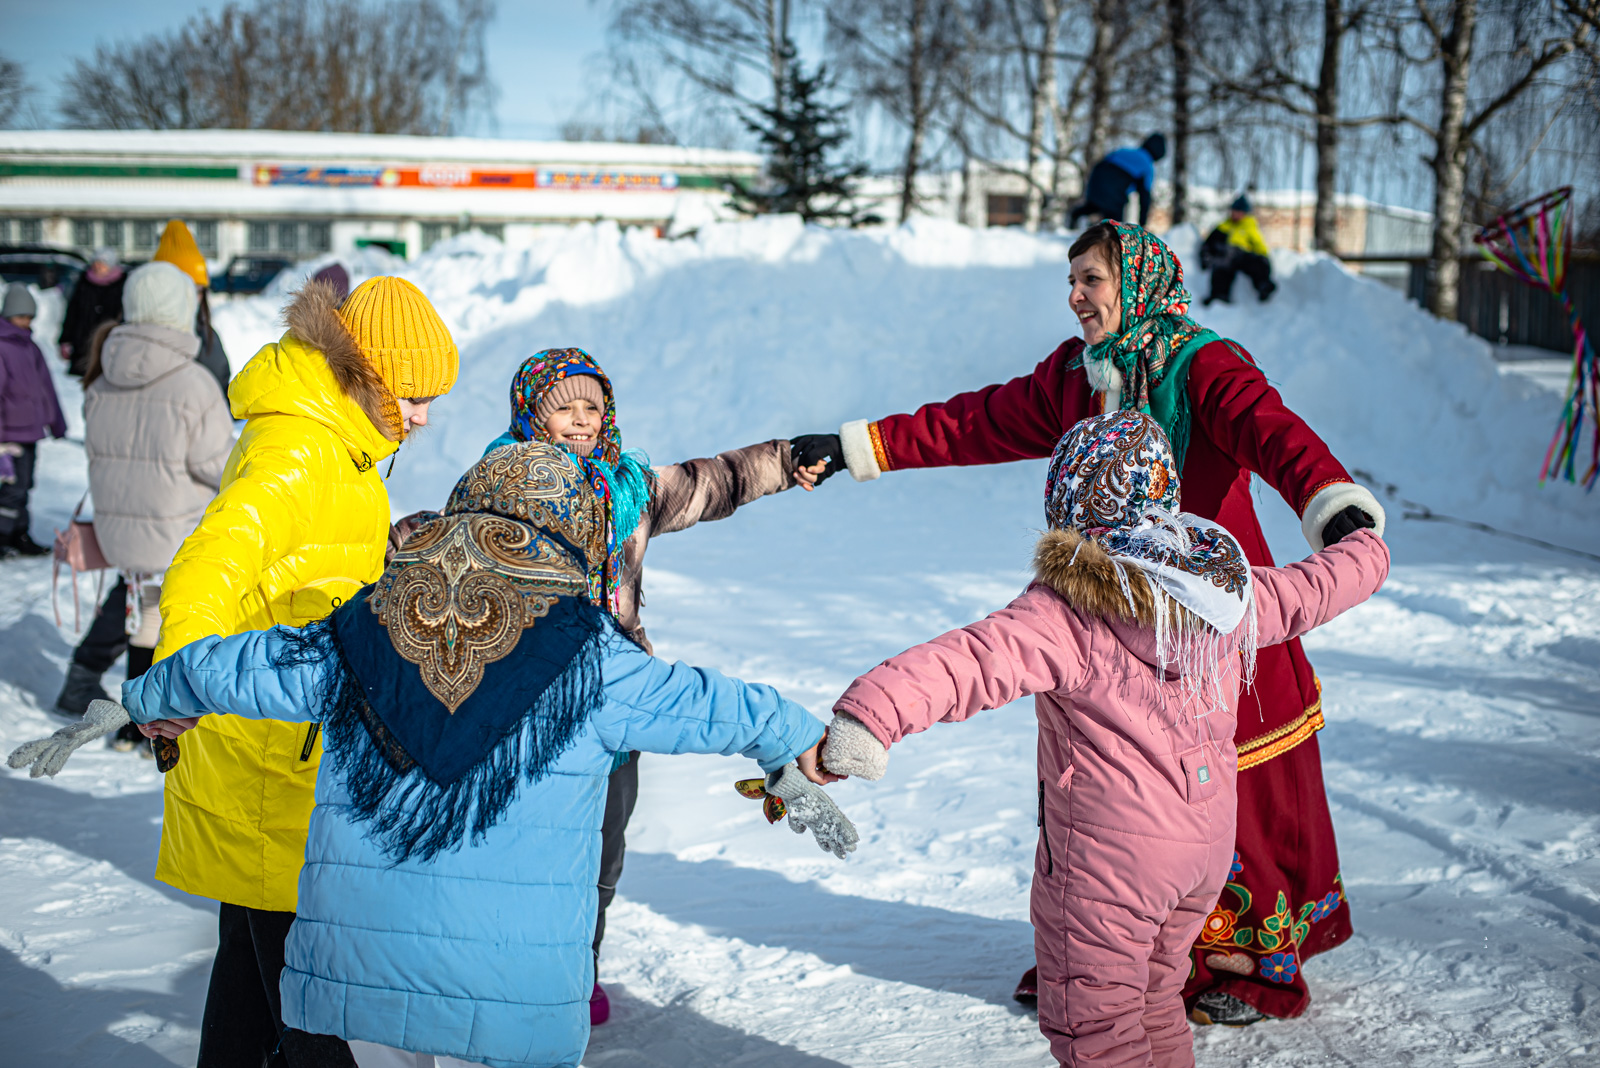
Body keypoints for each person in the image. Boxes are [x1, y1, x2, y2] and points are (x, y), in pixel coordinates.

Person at [17, 441, 853, 1068]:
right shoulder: (594, 659)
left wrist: (141, 698)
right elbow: (710, 703)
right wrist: (800, 746)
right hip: (516, 1009)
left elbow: (234, 666)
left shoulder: (356, 629)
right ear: (566, 534)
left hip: (351, 993)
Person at [791, 220, 1386, 1025]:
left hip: (1209, 621)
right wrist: (858, 446)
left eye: (1091, 280)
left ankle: (1243, 963)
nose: (1074, 298)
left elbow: (1275, 433)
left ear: (1135, 280)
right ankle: (1101, 954)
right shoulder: (1078, 375)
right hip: (1107, 618)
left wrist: (1334, 505)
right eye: (1071, 282)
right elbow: (976, 420)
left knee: (1235, 788)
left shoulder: (1201, 363)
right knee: (1106, 785)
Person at [817, 411, 1389, 1068]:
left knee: (1098, 1034)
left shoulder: (1068, 608)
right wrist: (1366, 546)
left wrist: (867, 720)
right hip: (1201, 855)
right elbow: (1315, 587)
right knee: (1154, 1000)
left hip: (1105, 869)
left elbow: (964, 663)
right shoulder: (1224, 592)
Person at [151, 274, 460, 1067]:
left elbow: (310, 559)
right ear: (365, 371)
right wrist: (174, 679)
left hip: (284, 744)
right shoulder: (300, 447)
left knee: (251, 982)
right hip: (266, 758)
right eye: (412, 394)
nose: (423, 416)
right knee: (307, 993)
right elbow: (210, 563)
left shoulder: (339, 441)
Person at [467, 347, 828, 1025]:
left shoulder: (627, 490)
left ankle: (581, 964)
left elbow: (711, 481)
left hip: (617, 701)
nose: (581, 419)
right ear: (529, 411)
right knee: (528, 855)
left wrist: (785, 460)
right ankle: (515, 979)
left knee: (603, 853)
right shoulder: (496, 486)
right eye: (564, 405)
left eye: (593, 405)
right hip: (524, 707)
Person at [75, 261, 234, 752]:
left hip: (121, 536)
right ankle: (157, 725)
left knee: (141, 616)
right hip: (176, 533)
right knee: (175, 621)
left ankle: (130, 724)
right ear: (181, 310)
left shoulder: (99, 379)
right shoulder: (194, 385)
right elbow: (220, 468)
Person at [0, 284, 66, 558]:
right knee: (11, 489)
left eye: (29, 316)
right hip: (8, 434)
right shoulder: (2, 347)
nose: (25, 321)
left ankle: (20, 533)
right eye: (20, 316)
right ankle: (3, 535)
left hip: (30, 431)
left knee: (26, 484)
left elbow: (45, 389)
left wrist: (56, 421)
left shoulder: (32, 348)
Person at [152, 219, 230, 397]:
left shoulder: (206, 335)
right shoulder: (140, 341)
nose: (193, 298)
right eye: (185, 289)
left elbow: (221, 385)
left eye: (199, 290)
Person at [1068, 134, 1166, 228]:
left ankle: (1075, 217)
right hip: (1115, 191)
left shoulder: (1125, 151)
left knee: (1094, 206)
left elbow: (1102, 162)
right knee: (1114, 225)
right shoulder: (1147, 166)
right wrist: (1143, 224)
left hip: (1096, 179)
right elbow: (1144, 197)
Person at [59, 247, 126, 377]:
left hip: (110, 341)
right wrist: (65, 339)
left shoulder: (122, 285)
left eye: (102, 264)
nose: (98, 267)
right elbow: (72, 313)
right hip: (83, 341)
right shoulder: (84, 282)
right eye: (96, 263)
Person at [1202, 195, 1276, 305]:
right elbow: (1208, 244)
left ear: (1245, 213)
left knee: (1258, 262)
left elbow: (1261, 249)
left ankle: (1263, 286)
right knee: (1223, 263)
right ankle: (1219, 295)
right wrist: (1206, 257)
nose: (1235, 214)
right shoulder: (1223, 226)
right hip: (1225, 258)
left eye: (1239, 211)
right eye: (1234, 210)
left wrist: (1263, 260)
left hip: (1243, 258)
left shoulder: (1249, 227)